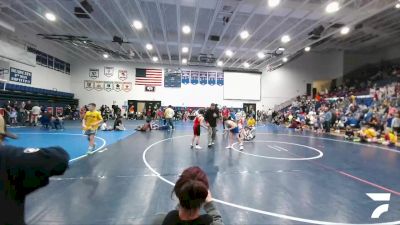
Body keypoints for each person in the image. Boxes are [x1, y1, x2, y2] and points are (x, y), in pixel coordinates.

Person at [158, 167, 224, 225]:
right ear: (204, 195)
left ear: (178, 192)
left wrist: (185, 194)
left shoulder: (164, 219)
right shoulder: (209, 221)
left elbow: (176, 216)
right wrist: (210, 205)